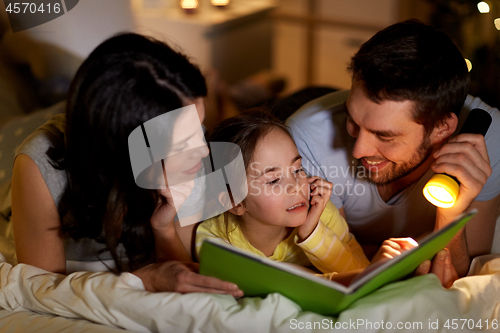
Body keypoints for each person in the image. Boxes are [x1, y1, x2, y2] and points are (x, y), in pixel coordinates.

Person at [11, 32, 243, 296]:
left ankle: (235, 93)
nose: (203, 150)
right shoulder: (40, 166)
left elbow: (185, 276)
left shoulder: (187, 150)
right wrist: (140, 281)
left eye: (199, 129)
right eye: (182, 144)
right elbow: (40, 292)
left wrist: (164, 229)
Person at [286, 20, 500, 277]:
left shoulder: (484, 138)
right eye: (353, 121)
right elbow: (329, 260)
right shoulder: (306, 139)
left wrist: (451, 215)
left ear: (442, 128)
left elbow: (463, 273)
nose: (358, 150)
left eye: (384, 136)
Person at [195, 110, 457, 287]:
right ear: (235, 202)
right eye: (274, 180)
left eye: (298, 169)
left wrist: (312, 233)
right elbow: (256, 286)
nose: (297, 186)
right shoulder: (215, 240)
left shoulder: (321, 212)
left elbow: (359, 272)